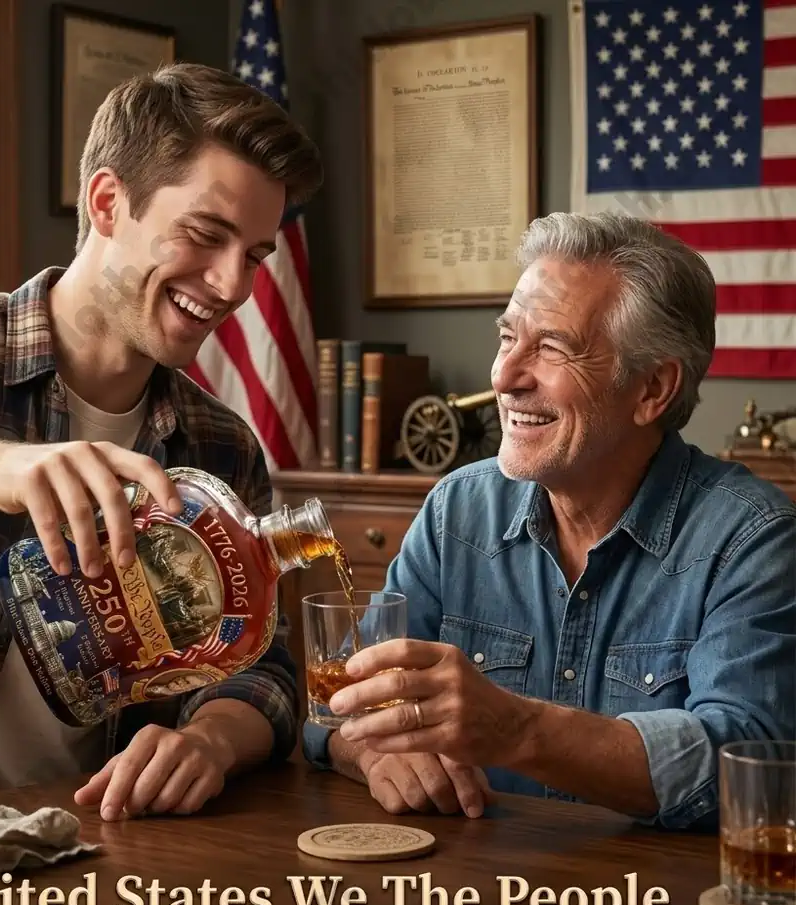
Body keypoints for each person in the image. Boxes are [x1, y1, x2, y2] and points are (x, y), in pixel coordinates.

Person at [0, 62, 323, 818]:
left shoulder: (221, 447)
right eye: (206, 235)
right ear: (108, 203)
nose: (232, 285)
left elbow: (263, 669)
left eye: (255, 256)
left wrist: (209, 739)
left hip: (84, 854)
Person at [303, 212, 796, 831]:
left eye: (552, 348)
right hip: (474, 900)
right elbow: (334, 711)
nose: (504, 378)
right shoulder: (455, 513)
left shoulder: (753, 539)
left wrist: (515, 728)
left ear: (653, 388)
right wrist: (375, 752)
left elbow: (746, 763)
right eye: (508, 338)